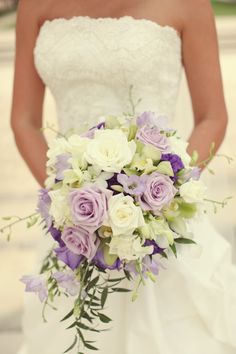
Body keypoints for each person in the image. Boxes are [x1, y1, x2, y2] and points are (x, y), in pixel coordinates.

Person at [11, 0, 236, 353]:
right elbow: (23, 120)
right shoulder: (33, 5)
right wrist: (69, 203)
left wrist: (163, 195)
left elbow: (212, 116)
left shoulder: (188, 4)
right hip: (74, 227)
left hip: (163, 221)